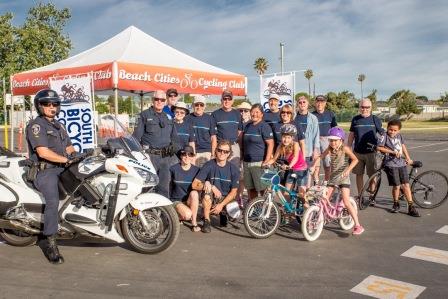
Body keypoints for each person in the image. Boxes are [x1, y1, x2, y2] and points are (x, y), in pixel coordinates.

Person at [26, 89, 76, 264]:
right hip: (45, 171)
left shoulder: (59, 125)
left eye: (55, 104)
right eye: (47, 104)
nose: (52, 107)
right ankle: (51, 242)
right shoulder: (36, 126)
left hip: (62, 167)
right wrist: (65, 160)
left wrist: (79, 156)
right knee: (53, 201)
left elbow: (69, 147)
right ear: (39, 106)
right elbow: (43, 152)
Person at [133, 90, 179, 198]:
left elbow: (175, 139)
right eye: (156, 99)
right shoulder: (144, 115)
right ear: (152, 100)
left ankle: (162, 213)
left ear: (165, 101)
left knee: (164, 188)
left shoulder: (168, 117)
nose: (159, 102)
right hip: (149, 157)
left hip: (165, 158)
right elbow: (135, 138)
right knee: (147, 186)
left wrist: (174, 148)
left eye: (162, 100)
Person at [319, 127, 364, 235]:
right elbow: (321, 156)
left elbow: (355, 160)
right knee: (324, 198)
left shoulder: (345, 148)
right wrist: (315, 161)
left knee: (347, 201)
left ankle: (358, 225)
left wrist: (348, 170)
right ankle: (322, 217)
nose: (332, 142)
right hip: (333, 178)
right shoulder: (330, 148)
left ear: (341, 140)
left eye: (335, 140)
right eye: (330, 140)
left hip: (344, 178)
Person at [192, 140, 240, 233]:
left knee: (235, 214)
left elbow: (234, 192)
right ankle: (206, 221)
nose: (222, 153)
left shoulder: (234, 169)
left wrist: (221, 205)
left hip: (225, 199)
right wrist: (211, 186)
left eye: (225, 151)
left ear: (229, 153)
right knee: (206, 194)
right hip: (213, 197)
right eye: (220, 150)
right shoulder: (209, 165)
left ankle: (223, 213)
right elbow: (194, 184)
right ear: (216, 150)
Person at [377, 120, 420, 217]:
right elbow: (379, 148)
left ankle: (411, 206)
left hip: (401, 164)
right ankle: (396, 203)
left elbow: (403, 146)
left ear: (399, 131)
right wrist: (392, 152)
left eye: (395, 130)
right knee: (396, 186)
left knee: (406, 185)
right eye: (390, 129)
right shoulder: (384, 136)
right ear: (387, 128)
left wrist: (408, 158)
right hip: (390, 164)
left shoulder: (399, 136)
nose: (392, 132)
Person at [347, 98, 384, 199]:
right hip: (357, 153)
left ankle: (372, 195)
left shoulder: (375, 119)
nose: (365, 109)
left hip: (371, 153)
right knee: (359, 175)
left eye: (367, 107)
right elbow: (351, 134)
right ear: (359, 108)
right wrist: (349, 147)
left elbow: (382, 134)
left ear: (371, 108)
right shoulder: (355, 119)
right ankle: (360, 195)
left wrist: (382, 147)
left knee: (372, 176)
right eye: (362, 107)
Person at [265, 124, 308, 206]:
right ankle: (287, 215)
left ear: (292, 138)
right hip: (291, 170)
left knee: (302, 195)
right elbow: (274, 159)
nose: (286, 140)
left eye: (288, 137)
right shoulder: (280, 146)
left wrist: (289, 166)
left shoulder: (296, 144)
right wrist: (266, 163)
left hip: (301, 170)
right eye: (284, 137)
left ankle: (308, 214)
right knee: (286, 193)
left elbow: (295, 157)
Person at [240, 104, 274, 201]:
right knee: (251, 188)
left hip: (259, 163)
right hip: (247, 162)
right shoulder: (247, 126)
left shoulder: (264, 126)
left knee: (262, 188)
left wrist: (267, 160)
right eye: (253, 112)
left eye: (257, 112)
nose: (254, 114)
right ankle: (254, 208)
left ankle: (263, 210)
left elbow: (270, 144)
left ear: (262, 114)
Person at [169, 146, 202, 232]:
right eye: (184, 154)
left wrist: (208, 183)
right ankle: (175, 216)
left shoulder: (197, 170)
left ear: (193, 156)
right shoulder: (173, 169)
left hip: (188, 201)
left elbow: (204, 182)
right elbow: (168, 187)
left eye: (190, 154)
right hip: (176, 201)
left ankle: (194, 223)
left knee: (194, 193)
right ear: (180, 156)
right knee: (187, 215)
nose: (187, 157)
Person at [211, 90, 243, 166]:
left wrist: (241, 149)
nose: (227, 101)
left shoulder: (237, 114)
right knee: (220, 169)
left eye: (229, 99)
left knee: (235, 170)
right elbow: (213, 136)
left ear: (232, 101)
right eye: (225, 99)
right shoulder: (215, 114)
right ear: (221, 100)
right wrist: (213, 152)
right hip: (220, 148)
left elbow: (240, 134)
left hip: (234, 147)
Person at [294, 95, 320, 186]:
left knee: (306, 175)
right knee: (294, 175)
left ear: (308, 103)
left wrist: (315, 151)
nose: (302, 104)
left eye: (304, 102)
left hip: (308, 151)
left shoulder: (313, 118)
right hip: (295, 151)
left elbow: (316, 135)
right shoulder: (293, 117)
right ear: (297, 104)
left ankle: (306, 196)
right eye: (300, 102)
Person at [312, 95, 337, 185]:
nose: (319, 104)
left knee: (327, 163)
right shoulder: (312, 115)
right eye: (318, 101)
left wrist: (333, 143)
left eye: (322, 102)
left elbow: (334, 129)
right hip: (315, 140)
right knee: (316, 163)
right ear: (315, 103)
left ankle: (327, 183)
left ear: (325, 103)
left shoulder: (330, 114)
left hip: (326, 140)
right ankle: (316, 183)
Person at [185, 95, 217, 167]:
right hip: (191, 153)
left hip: (206, 152)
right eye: (196, 104)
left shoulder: (210, 118)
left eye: (201, 105)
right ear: (193, 105)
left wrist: (213, 154)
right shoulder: (187, 118)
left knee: (206, 176)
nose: (199, 107)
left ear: (204, 106)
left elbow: (213, 138)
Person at [236, 101, 252, 206]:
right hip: (238, 152)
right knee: (240, 178)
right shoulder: (237, 122)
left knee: (249, 179)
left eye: (245, 110)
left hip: (250, 153)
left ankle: (251, 199)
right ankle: (239, 198)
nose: (243, 112)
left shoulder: (251, 123)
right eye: (241, 110)